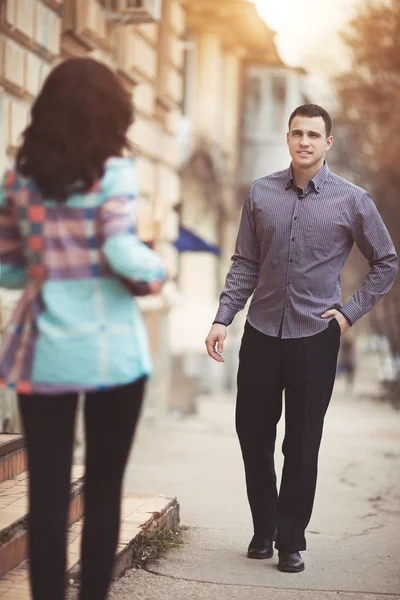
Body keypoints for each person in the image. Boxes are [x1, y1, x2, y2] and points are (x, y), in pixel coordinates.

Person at [205, 104, 398, 573]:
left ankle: (290, 538)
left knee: (302, 442)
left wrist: (348, 315)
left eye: (314, 134)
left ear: (328, 142)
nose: (305, 141)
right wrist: (223, 318)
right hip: (262, 331)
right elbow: (245, 263)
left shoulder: (353, 200)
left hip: (316, 336)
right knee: (252, 433)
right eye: (297, 133)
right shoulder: (261, 193)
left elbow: (386, 262)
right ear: (287, 138)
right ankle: (263, 525)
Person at [0, 57, 166, 600]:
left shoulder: (19, 179)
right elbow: (120, 248)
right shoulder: (114, 171)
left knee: (46, 497)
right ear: (109, 113)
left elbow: (9, 267)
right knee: (103, 491)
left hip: (42, 350)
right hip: (111, 354)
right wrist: (155, 271)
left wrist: (50, 259)